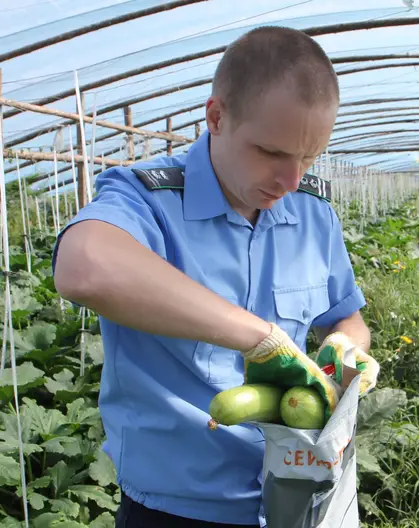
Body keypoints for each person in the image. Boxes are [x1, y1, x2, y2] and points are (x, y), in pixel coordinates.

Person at [52, 26, 376, 527]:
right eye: (271, 152)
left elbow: (347, 318)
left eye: (308, 157)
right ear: (217, 116)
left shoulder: (313, 213)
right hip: (176, 512)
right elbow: (84, 266)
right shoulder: (151, 200)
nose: (290, 180)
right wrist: (259, 337)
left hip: (302, 497)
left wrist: (347, 349)